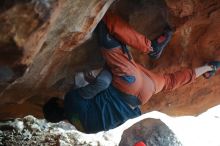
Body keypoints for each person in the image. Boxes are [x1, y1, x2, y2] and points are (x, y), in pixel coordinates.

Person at [43, 11, 220, 133]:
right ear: (59, 105)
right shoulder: (72, 101)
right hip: (126, 80)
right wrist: (103, 69)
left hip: (143, 95)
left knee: (169, 82)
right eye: (59, 99)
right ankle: (151, 47)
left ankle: (209, 68)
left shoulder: (85, 129)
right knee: (105, 23)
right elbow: (103, 82)